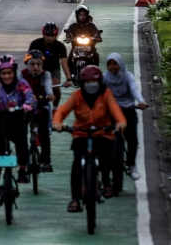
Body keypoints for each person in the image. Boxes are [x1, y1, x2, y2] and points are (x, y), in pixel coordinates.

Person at [53, 65, 127, 212]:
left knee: (106, 158)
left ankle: (106, 183)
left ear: (99, 82)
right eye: (87, 82)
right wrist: (58, 123)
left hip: (102, 134)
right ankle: (75, 199)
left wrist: (121, 122)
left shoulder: (106, 94)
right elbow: (62, 110)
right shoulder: (77, 95)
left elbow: (115, 110)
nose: (90, 84)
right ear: (82, 83)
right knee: (76, 166)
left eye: (94, 81)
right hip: (81, 134)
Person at [0, 55, 37, 207]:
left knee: (22, 138)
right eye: (4, 73)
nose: (7, 76)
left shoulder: (21, 83)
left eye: (9, 73)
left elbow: (29, 95)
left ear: (14, 72)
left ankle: (23, 169)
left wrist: (28, 105)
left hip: (15, 120)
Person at [103, 53, 148, 180]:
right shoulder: (104, 78)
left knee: (132, 138)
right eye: (110, 64)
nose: (112, 67)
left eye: (115, 64)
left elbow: (134, 90)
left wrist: (141, 101)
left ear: (120, 64)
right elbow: (98, 91)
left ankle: (132, 164)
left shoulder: (128, 77)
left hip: (128, 110)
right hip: (110, 112)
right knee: (101, 136)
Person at [20, 50, 54, 172]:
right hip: (25, 107)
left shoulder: (46, 74)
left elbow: (48, 86)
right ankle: (22, 163)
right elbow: (18, 87)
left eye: (38, 64)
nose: (35, 67)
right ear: (27, 65)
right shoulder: (22, 74)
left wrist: (49, 94)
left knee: (44, 132)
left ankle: (46, 162)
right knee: (21, 133)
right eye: (32, 64)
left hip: (41, 105)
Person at [29, 22, 72, 109]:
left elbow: (64, 62)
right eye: (47, 35)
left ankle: (55, 109)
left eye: (52, 36)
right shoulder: (35, 44)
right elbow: (28, 61)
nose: (49, 38)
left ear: (56, 36)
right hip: (37, 69)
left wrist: (69, 78)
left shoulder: (60, 46)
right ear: (43, 34)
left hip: (53, 69)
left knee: (55, 87)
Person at [66, 5, 102, 71]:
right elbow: (69, 33)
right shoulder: (73, 26)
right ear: (77, 16)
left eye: (84, 15)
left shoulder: (91, 26)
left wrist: (97, 37)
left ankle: (94, 72)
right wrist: (68, 37)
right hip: (76, 47)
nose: (82, 17)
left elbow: (96, 33)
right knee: (70, 58)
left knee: (96, 56)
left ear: (87, 15)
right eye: (80, 15)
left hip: (90, 47)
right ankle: (71, 75)